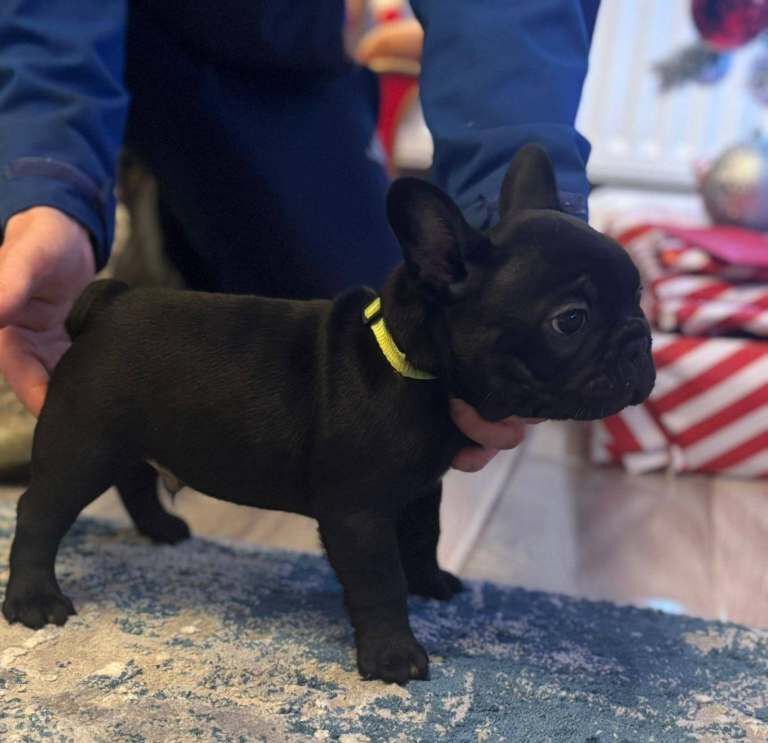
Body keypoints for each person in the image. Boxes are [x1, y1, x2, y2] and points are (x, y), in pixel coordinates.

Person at [0, 0, 600, 473]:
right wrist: (46, 184)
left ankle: (164, 225)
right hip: (69, 25)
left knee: (370, 355)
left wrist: (517, 224)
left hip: (262, 39)